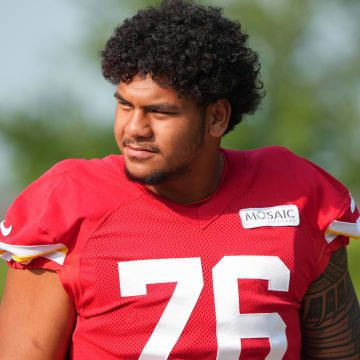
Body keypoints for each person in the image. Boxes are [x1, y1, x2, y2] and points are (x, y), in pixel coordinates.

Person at [0, 0, 359, 358]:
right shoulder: (68, 201)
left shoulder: (297, 195)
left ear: (217, 117)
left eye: (159, 112)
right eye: (125, 105)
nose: (134, 129)